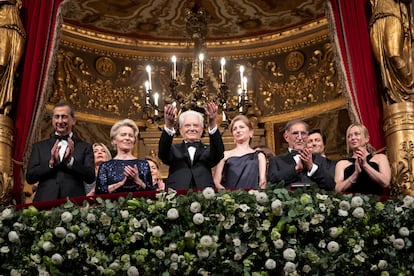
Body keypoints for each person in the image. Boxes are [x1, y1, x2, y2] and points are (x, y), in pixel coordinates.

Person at [26, 101, 95, 202]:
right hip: (44, 202)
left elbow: (90, 177)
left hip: (74, 203)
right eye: (56, 117)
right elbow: (30, 177)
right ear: (53, 120)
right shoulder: (39, 147)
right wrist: (50, 163)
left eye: (64, 116)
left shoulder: (85, 147)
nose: (60, 120)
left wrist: (71, 162)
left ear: (73, 120)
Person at [158, 102, 224, 190]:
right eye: (187, 125)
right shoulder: (173, 149)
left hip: (204, 196)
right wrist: (169, 126)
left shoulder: (209, 150)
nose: (192, 129)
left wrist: (212, 124)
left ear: (201, 129)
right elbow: (163, 153)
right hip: (177, 196)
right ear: (181, 130)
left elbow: (219, 153)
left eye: (196, 125)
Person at [267, 119, 335, 190]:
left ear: (307, 136)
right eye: (295, 133)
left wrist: (312, 167)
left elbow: (331, 186)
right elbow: (271, 183)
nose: (300, 137)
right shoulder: (276, 160)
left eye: (303, 133)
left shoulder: (321, 160)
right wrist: (295, 169)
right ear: (286, 137)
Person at [369, 0, 413, 103]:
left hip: (392, 15)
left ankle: (410, 86)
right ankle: (393, 95)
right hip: (375, 21)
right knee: (382, 63)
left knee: (394, 55)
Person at [95, 119, 153, 194]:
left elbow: (152, 193)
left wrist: (137, 180)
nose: (127, 138)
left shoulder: (143, 164)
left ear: (134, 140)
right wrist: (121, 183)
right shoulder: (105, 166)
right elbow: (99, 192)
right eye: (123, 135)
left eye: (131, 136)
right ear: (114, 140)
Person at [335, 123, 391, 195]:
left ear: (367, 138)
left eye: (356, 134)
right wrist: (355, 174)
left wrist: (365, 165)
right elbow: (338, 189)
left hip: (376, 203)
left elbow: (385, 182)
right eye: (349, 136)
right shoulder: (342, 164)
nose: (353, 138)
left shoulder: (380, 158)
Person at [214, 115, 267, 189]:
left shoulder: (259, 156)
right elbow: (216, 181)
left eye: (241, 127)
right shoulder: (225, 155)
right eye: (235, 129)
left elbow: (262, 181)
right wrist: (228, 195)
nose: (238, 131)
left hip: (253, 197)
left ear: (251, 132)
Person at [0, 0, 25, 115]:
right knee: (2, 65)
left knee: (13, 69)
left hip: (18, 30)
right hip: (3, 25)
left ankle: (5, 101)